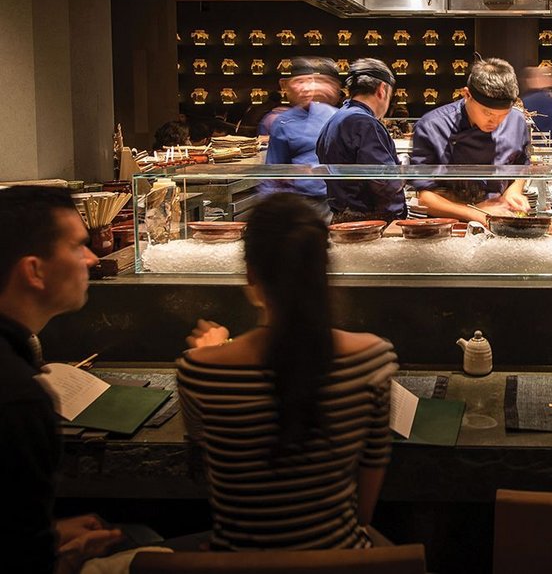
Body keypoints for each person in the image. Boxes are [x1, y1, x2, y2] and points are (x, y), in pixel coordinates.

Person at [176, 193, 398, 551]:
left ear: (250, 274)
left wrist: (215, 350)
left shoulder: (197, 371)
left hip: (238, 563)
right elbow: (364, 515)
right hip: (342, 562)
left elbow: (207, 468)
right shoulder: (373, 359)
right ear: (322, 271)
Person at [0, 186, 123, 574]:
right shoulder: (18, 398)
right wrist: (70, 555)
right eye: (76, 247)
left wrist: (48, 530)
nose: (91, 258)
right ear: (34, 270)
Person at [411, 57, 530, 224]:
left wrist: (514, 192)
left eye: (503, 115)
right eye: (488, 113)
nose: (495, 122)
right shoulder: (432, 126)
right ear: (467, 95)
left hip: (500, 218)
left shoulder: (517, 121)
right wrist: (477, 213)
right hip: (450, 226)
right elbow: (426, 199)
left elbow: (521, 166)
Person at [315, 58, 407, 223]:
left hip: (341, 218)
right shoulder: (364, 123)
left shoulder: (335, 119)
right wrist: (404, 169)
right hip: (368, 222)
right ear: (382, 90)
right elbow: (384, 183)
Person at [261, 57, 342, 222]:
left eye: (310, 81)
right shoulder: (282, 123)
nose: (306, 88)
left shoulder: (334, 115)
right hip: (302, 203)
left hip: (337, 201)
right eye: (299, 82)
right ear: (285, 85)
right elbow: (274, 171)